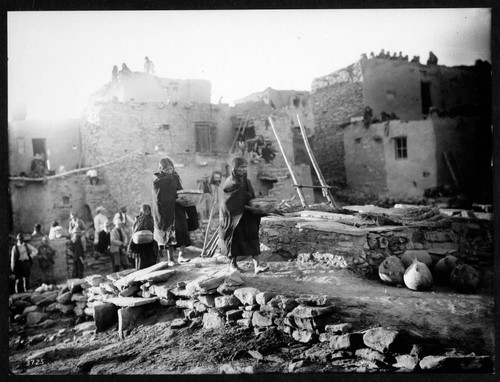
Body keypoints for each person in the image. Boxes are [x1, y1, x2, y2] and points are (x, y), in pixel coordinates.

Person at [218, 157, 269, 274]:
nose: (243, 169)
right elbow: (229, 203)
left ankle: (257, 265)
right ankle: (233, 264)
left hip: (247, 215)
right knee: (234, 239)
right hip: (234, 218)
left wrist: (256, 207)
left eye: (245, 167)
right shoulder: (230, 182)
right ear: (234, 168)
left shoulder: (247, 181)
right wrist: (248, 207)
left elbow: (250, 197)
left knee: (252, 237)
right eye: (241, 167)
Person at [152, 158, 191, 266]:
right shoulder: (158, 182)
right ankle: (170, 259)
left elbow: (179, 190)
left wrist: (183, 197)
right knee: (170, 235)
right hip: (166, 213)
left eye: (171, 168)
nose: (169, 171)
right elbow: (159, 199)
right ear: (161, 169)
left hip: (178, 210)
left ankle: (181, 255)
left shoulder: (175, 178)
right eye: (166, 169)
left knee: (182, 230)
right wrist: (174, 200)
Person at [128, 204, 158, 270]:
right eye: (145, 210)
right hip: (141, 246)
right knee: (141, 263)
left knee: (150, 263)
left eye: (148, 210)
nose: (147, 212)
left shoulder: (151, 219)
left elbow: (154, 230)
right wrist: (130, 246)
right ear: (142, 211)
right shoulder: (139, 220)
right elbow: (135, 232)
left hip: (150, 244)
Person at [68, 212, 86, 277]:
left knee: (83, 240)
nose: (73, 218)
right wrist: (73, 232)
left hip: (80, 233)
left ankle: (84, 249)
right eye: (72, 217)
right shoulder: (71, 223)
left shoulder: (80, 221)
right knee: (73, 242)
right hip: (74, 234)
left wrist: (81, 232)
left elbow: (84, 228)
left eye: (74, 216)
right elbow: (69, 231)